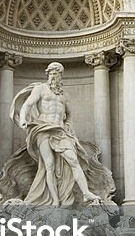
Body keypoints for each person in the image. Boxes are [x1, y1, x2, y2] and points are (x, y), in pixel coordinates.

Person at [14, 62, 101, 207]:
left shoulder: (64, 95)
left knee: (73, 160)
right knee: (49, 166)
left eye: (57, 74)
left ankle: (86, 193)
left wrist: (69, 127)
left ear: (61, 76)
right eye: (52, 73)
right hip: (43, 129)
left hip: (60, 131)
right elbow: (27, 105)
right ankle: (54, 200)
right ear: (48, 75)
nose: (54, 76)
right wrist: (23, 118)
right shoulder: (40, 89)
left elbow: (69, 114)